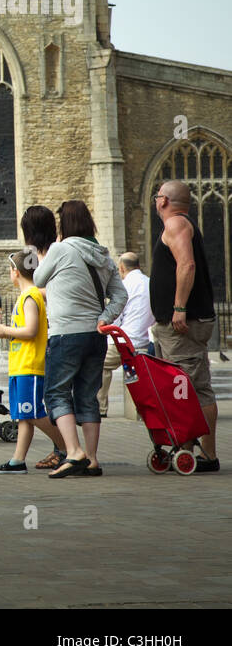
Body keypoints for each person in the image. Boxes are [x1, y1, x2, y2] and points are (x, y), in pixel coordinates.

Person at [33, 200, 127, 478]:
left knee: (57, 392)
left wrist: (47, 251)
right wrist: (104, 317)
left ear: (64, 225)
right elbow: (121, 295)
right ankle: (93, 459)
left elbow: (38, 278)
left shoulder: (60, 249)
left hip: (66, 334)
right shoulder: (104, 255)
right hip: (95, 335)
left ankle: (74, 452)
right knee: (88, 396)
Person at [150, 180, 219, 471]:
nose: (155, 201)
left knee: (193, 387)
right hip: (184, 324)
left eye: (157, 197)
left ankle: (206, 454)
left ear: (164, 200)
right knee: (186, 386)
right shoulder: (182, 223)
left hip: (184, 324)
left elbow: (186, 265)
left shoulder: (175, 224)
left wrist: (179, 308)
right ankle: (189, 447)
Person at [0, 251, 65, 472]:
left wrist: (4, 331)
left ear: (16, 271)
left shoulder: (30, 296)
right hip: (21, 365)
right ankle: (17, 460)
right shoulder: (28, 295)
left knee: (31, 413)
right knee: (24, 414)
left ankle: (67, 448)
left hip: (29, 365)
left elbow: (30, 330)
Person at [98, 252, 155, 419]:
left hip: (123, 341)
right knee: (131, 370)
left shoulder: (124, 286)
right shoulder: (150, 283)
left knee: (100, 364)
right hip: (143, 341)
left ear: (121, 268)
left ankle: (100, 408)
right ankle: (138, 410)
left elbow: (115, 316)